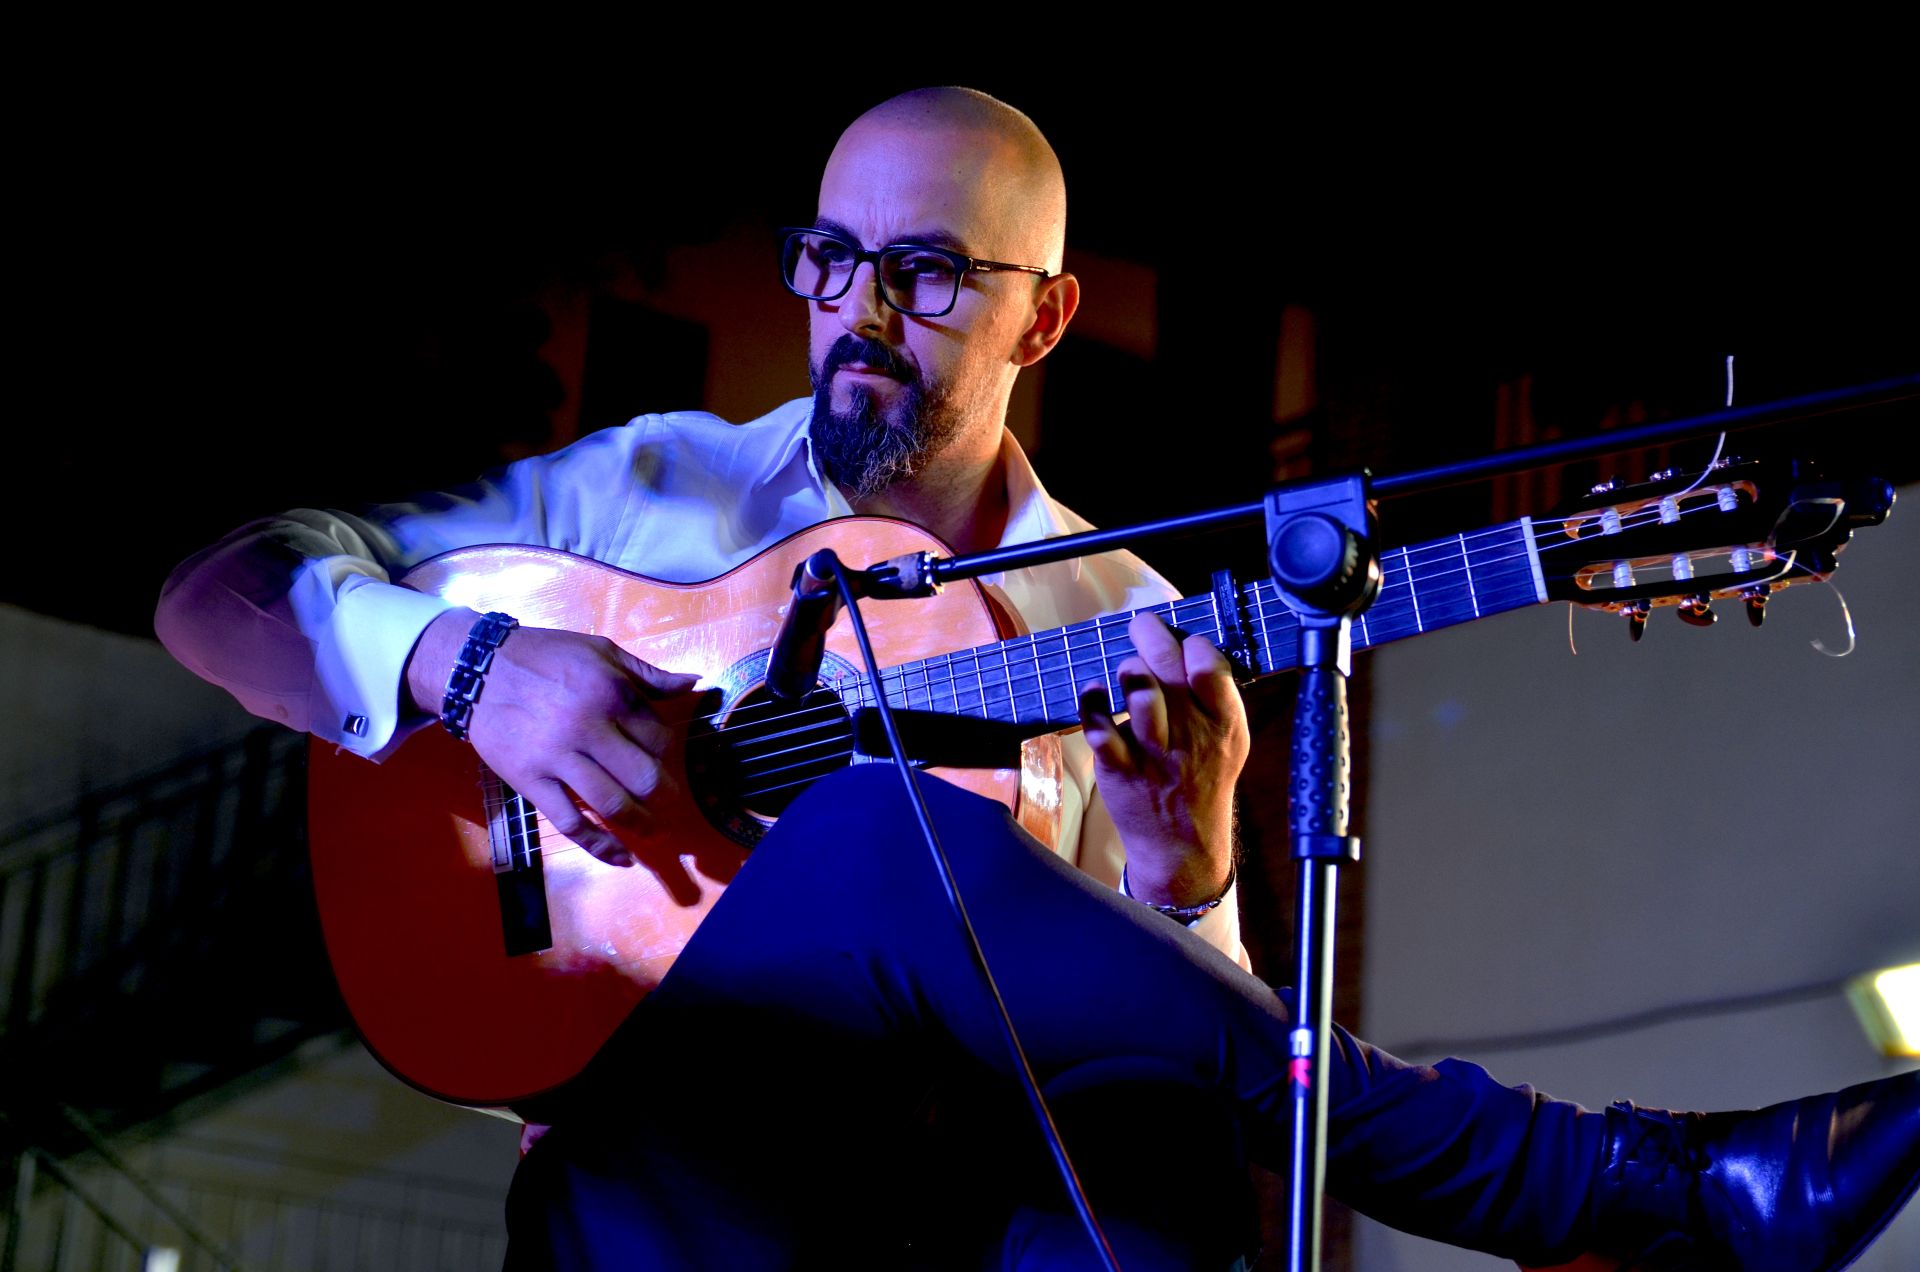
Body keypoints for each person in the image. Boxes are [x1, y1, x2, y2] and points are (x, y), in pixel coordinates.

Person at [157, 88, 1916, 1269]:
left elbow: (1191, 1034)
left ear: (1044, 319)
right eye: (832, 258)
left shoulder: (1125, 602)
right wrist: (473, 669)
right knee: (866, 835)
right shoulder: (648, 486)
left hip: (957, 1200)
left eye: (924, 275)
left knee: (1146, 1134)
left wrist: (1188, 869)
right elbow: (220, 599)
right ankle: (1629, 1191)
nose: (856, 312)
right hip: (671, 1175)